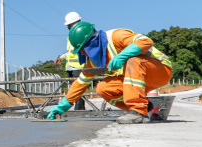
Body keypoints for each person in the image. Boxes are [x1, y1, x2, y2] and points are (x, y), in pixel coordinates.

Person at [44, 22, 172, 124]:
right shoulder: (94, 60)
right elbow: (81, 83)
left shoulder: (115, 36)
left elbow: (146, 41)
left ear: (90, 43)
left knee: (133, 60)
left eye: (82, 49)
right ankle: (145, 109)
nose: (82, 53)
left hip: (160, 71)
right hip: (138, 79)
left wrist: (122, 55)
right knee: (103, 88)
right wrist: (62, 106)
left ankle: (138, 110)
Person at [54, 11, 86, 110]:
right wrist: (61, 57)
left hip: (78, 66)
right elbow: (70, 51)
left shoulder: (82, 33)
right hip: (70, 67)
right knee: (72, 88)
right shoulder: (71, 35)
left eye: (69, 25)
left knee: (78, 87)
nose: (68, 27)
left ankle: (79, 108)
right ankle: (77, 107)